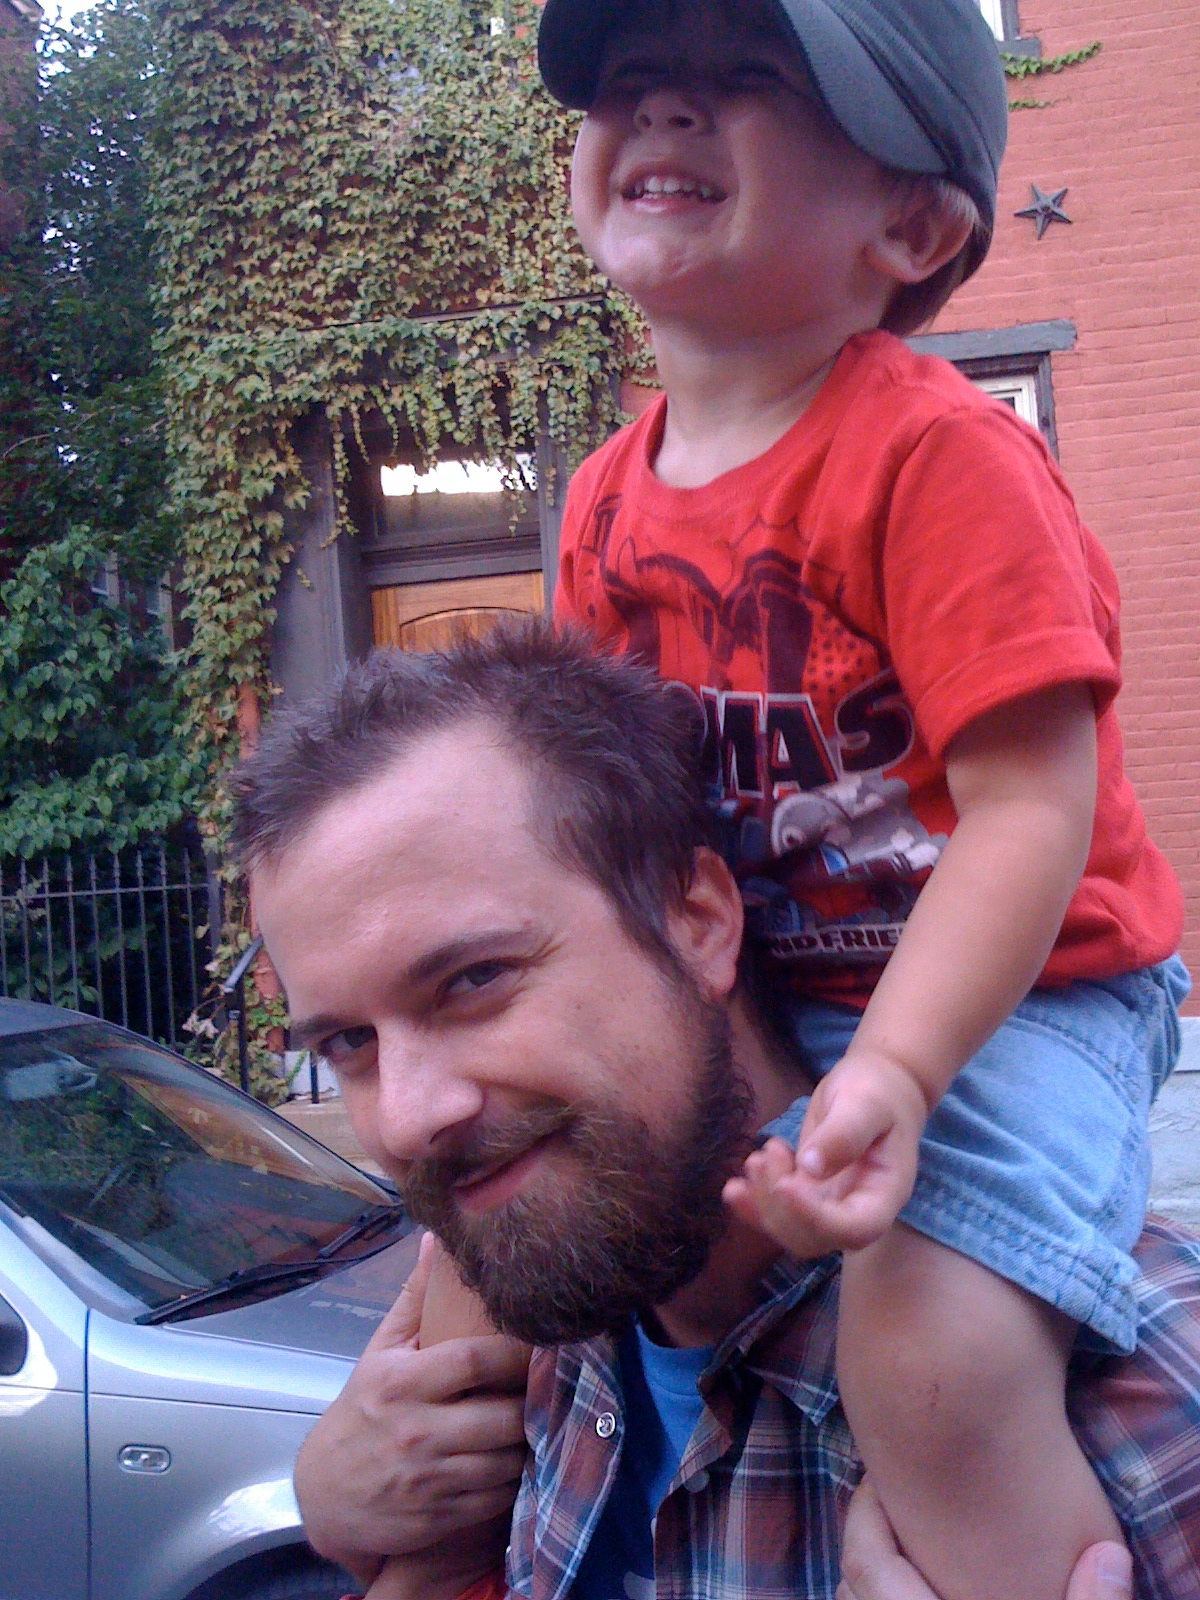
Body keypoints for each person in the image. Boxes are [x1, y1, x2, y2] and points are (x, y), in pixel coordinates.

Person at [533, 0, 1190, 1594]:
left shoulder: (936, 456)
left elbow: (1031, 814)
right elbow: (598, 823)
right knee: (518, 1248)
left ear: (908, 221)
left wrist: (896, 1069)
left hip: (1024, 989)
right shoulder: (602, 503)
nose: (667, 106)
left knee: (930, 1352)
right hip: (776, 982)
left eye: (746, 80)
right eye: (633, 82)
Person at [229, 625, 1200, 1600]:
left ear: (697, 921)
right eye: (348, 1043)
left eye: (474, 979)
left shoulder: (1140, 1403)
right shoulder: (536, 1330)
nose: (405, 1119)